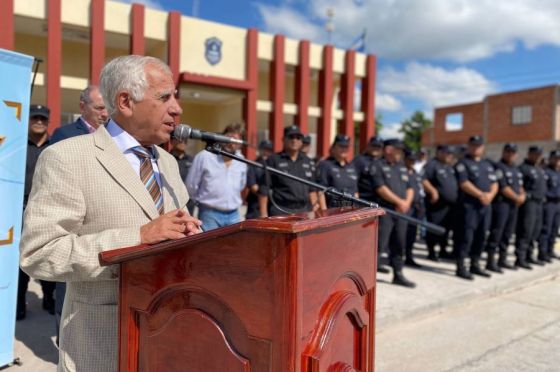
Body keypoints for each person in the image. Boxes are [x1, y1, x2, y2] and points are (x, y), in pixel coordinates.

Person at [20, 55, 202, 372]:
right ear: (125, 102)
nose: (177, 108)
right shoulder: (68, 157)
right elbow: (39, 253)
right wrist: (137, 237)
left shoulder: (169, 162)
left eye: (175, 97)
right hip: (103, 345)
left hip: (170, 339)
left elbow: (173, 230)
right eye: (164, 97)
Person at [49, 85, 109, 343]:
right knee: (67, 287)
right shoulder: (64, 135)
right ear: (82, 106)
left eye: (107, 108)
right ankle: (65, 341)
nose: (105, 113)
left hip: (101, 221)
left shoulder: (111, 136)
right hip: (74, 221)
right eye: (99, 108)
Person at [17, 104, 56, 320]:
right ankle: (19, 302)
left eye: (42, 118)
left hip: (48, 210)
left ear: (48, 121)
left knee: (46, 255)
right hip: (21, 209)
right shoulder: (18, 146)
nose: (38, 121)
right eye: (35, 118)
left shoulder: (56, 146)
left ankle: (48, 297)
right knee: (21, 260)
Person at [366, 138, 416, 287]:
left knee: (399, 243)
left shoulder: (401, 167)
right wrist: (399, 202)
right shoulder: (377, 166)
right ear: (389, 150)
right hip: (385, 211)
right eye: (398, 150)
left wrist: (406, 202)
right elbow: (380, 188)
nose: (401, 153)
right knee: (378, 245)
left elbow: (410, 187)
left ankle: (398, 274)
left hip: (401, 212)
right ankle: (368, 278)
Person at [186, 123, 248, 230]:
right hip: (209, 214)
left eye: (236, 141)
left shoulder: (242, 160)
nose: (231, 144)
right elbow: (191, 186)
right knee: (211, 246)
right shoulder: (204, 156)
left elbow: (242, 184)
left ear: (241, 144)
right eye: (229, 139)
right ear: (222, 137)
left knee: (233, 247)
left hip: (234, 214)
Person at [454, 135, 498, 280]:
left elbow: (495, 182)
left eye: (479, 145)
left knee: (481, 236)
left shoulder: (487, 164)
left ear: (483, 147)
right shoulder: (462, 163)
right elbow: (464, 183)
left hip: (485, 206)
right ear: (469, 146)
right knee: (466, 236)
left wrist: (490, 195)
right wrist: (481, 195)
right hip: (469, 206)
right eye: (473, 145)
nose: (476, 148)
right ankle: (461, 266)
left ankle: (475, 264)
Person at [258, 125, 318, 217]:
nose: (294, 140)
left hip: (304, 211)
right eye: (291, 137)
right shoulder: (273, 160)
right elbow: (264, 190)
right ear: (283, 139)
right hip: (281, 211)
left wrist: (314, 210)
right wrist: (263, 215)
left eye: (298, 137)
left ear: (302, 141)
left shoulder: (308, 161)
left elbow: (312, 190)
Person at [484, 143, 525, 272]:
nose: (510, 154)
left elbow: (520, 185)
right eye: (508, 152)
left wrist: (522, 195)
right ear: (503, 152)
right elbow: (503, 187)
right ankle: (490, 261)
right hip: (502, 205)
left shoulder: (516, 169)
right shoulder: (498, 167)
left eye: (513, 152)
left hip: (513, 205)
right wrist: (517, 197)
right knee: (497, 232)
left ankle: (502, 259)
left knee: (507, 233)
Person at [422, 145, 459, 261]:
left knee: (446, 229)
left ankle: (443, 250)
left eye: (451, 154)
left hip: (449, 206)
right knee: (434, 228)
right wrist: (432, 191)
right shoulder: (432, 165)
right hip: (436, 205)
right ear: (439, 153)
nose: (450, 156)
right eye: (447, 153)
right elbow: (423, 179)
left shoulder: (449, 167)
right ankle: (431, 252)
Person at [515, 146, 547, 269]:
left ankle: (529, 255)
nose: (537, 156)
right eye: (535, 154)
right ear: (529, 154)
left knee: (535, 230)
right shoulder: (523, 168)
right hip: (529, 202)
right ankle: (520, 258)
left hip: (539, 203)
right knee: (526, 230)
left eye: (539, 154)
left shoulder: (539, 169)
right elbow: (519, 184)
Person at [316, 134, 359, 208]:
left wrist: (357, 211)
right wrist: (324, 212)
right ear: (334, 147)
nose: (344, 149)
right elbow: (321, 191)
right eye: (341, 146)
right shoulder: (325, 165)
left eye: (346, 147)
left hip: (350, 209)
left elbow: (355, 192)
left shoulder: (351, 167)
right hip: (333, 209)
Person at [404, 149, 425, 268]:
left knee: (412, 233)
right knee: (402, 234)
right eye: (410, 159)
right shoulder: (402, 172)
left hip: (417, 207)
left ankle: (409, 256)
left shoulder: (415, 173)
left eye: (414, 160)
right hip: (406, 207)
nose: (412, 162)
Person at [538, 150, 560, 262]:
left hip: (558, 204)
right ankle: (543, 252)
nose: (557, 161)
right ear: (550, 159)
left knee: (554, 229)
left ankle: (550, 250)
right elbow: (543, 189)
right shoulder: (545, 172)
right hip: (549, 203)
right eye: (555, 158)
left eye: (559, 159)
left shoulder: (558, 172)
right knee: (546, 228)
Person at [245, 140, 274, 220]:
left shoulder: (273, 166)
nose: (266, 152)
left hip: (271, 207)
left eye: (269, 150)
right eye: (264, 149)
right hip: (255, 207)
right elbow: (253, 186)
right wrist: (265, 193)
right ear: (259, 150)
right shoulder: (253, 165)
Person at [171, 138, 195, 214]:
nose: (183, 143)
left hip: (189, 202)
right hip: (171, 200)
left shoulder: (192, 160)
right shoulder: (165, 158)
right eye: (180, 140)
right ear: (172, 141)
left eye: (185, 141)